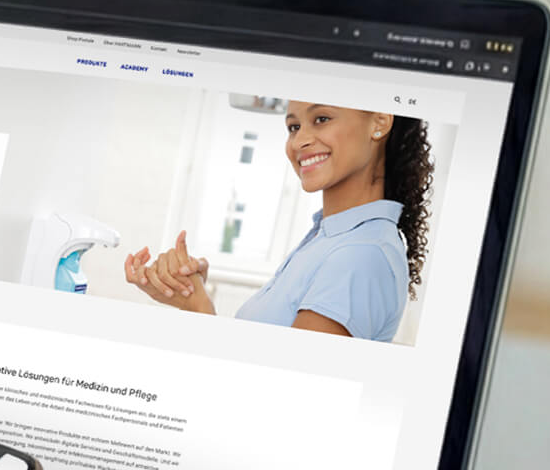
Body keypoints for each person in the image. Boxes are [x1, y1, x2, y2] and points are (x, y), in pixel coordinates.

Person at [123, 101, 435, 342]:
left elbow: (281, 398)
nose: (300, 141)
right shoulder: (329, 238)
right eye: (294, 126)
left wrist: (200, 309)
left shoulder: (360, 254)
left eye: (321, 119)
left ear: (379, 121)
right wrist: (192, 294)